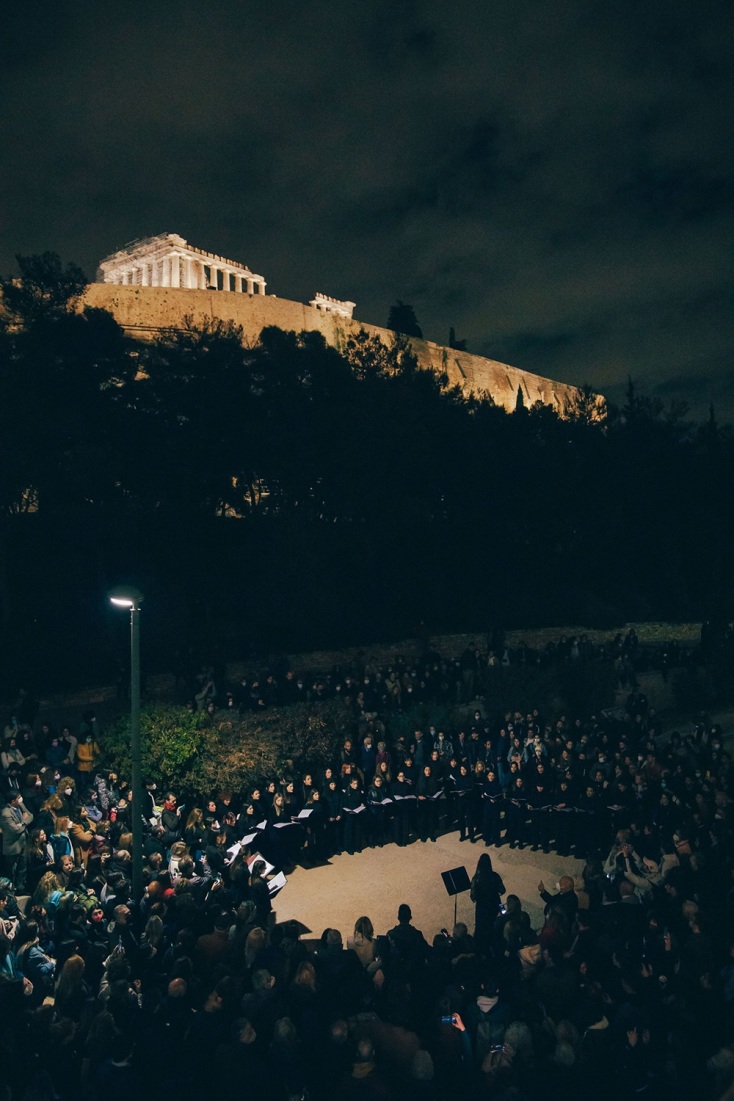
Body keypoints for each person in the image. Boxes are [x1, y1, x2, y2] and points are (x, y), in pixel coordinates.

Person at [470, 853, 506, 953]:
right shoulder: (495, 876)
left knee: (482, 926)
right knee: (498, 920)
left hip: (482, 907)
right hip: (496, 903)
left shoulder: (476, 879)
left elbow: (473, 897)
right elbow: (503, 890)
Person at [1, 790, 34, 889]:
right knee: (12, 869)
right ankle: (11, 888)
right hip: (13, 846)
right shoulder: (5, 813)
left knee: (22, 868)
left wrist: (23, 822)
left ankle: (20, 887)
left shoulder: (20, 806)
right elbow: (15, 830)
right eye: (18, 797)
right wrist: (24, 822)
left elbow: (31, 815)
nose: (20, 799)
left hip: (23, 842)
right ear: (13, 801)